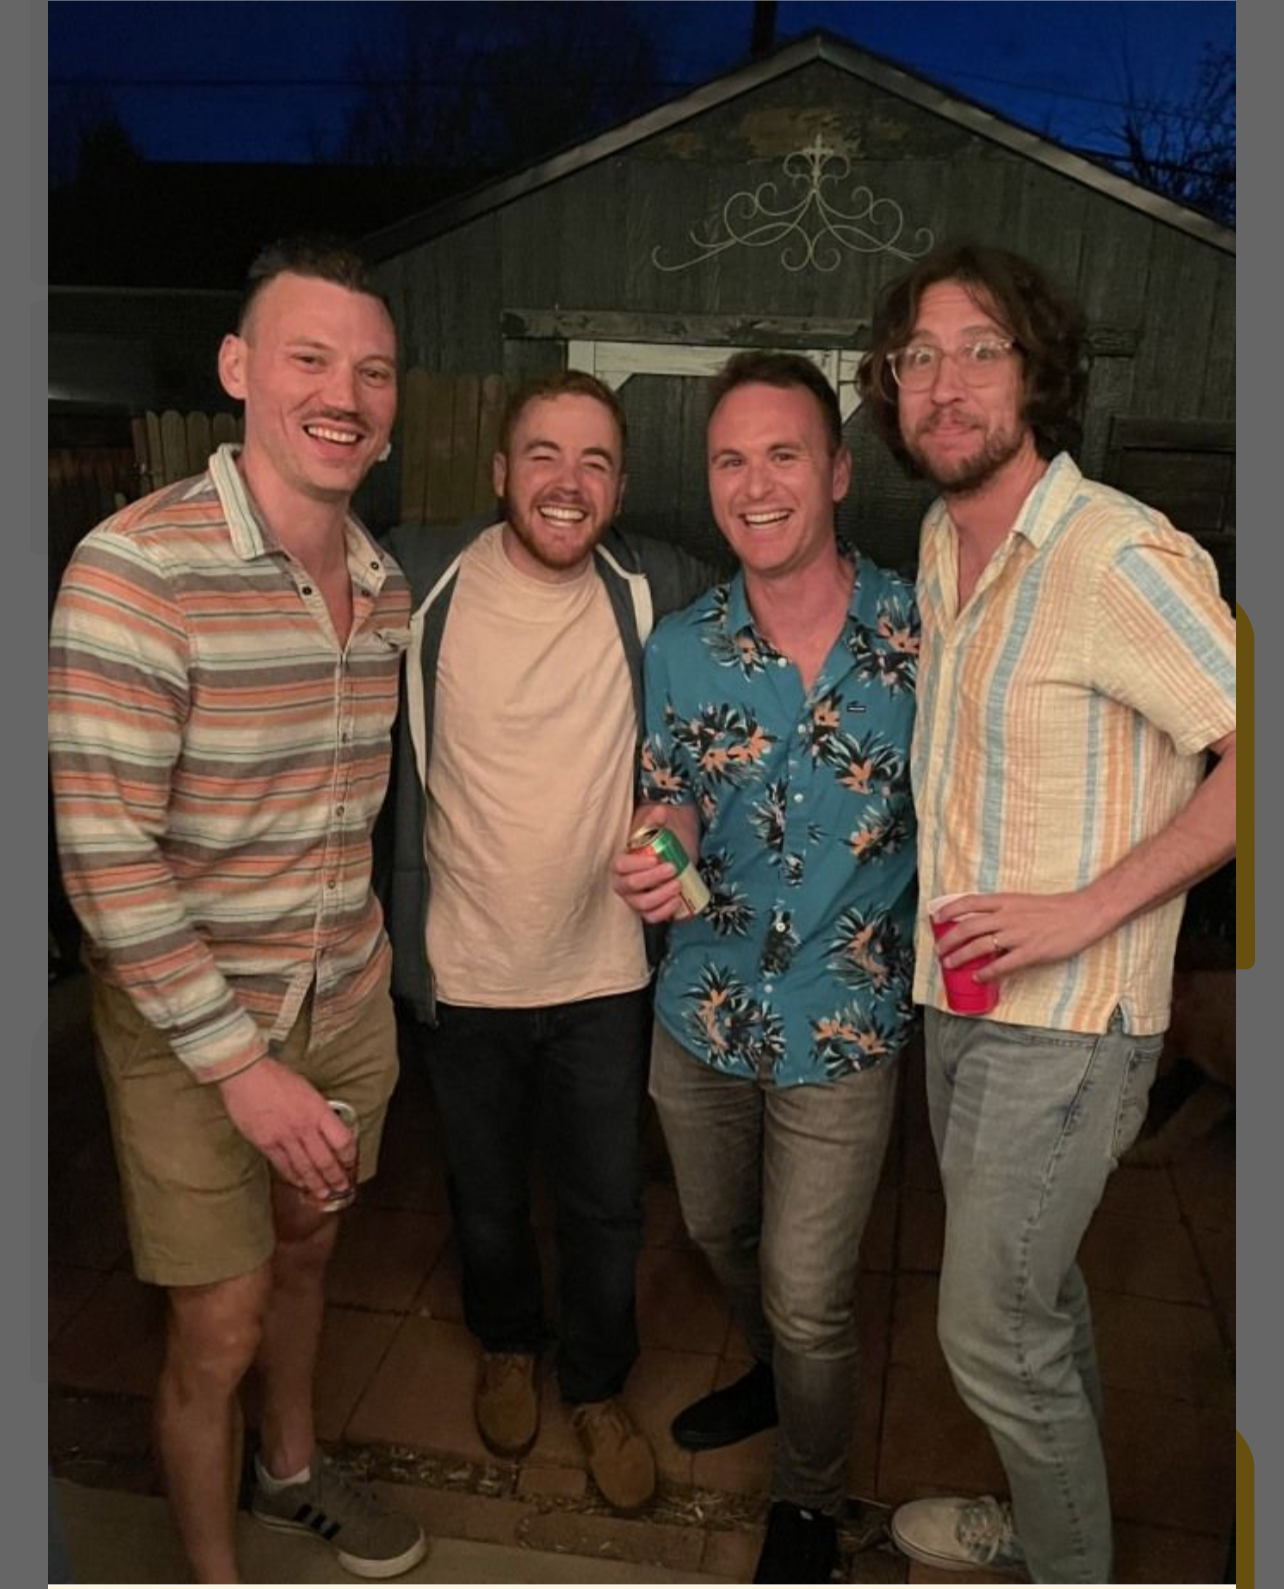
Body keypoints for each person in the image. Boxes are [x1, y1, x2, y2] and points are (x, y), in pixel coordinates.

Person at [855, 243, 1236, 1584]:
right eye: (918, 355)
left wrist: (1089, 909)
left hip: (1069, 1029)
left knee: (989, 1336)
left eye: (980, 349)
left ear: (1038, 373)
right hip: (957, 1010)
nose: (944, 383)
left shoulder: (1116, 551)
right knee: (1033, 1307)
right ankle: (1050, 1524)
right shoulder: (946, 547)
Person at [48, 237, 426, 1584]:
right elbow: (105, 856)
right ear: (238, 371)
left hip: (342, 996)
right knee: (218, 1319)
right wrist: (243, 1068)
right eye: (311, 358)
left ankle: (293, 1471)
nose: (345, 392)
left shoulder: (381, 585)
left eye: (372, 369)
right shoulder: (136, 569)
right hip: (190, 1029)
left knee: (309, 1254)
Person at [611, 351, 920, 1583]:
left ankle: (808, 1494)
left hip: (845, 1025)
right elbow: (671, 791)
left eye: (784, 452)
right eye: (731, 458)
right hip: (701, 1014)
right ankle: (774, 1372)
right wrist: (660, 838)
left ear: (838, 469)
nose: (756, 482)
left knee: (810, 1293)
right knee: (718, 1232)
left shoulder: (921, 628)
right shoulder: (683, 648)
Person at [380, 371, 711, 1512]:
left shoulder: (657, 587)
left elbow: (772, 629)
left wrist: (687, 817)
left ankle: (597, 1382)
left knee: (606, 1199)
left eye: (596, 461)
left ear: (620, 485)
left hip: (604, 971)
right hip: (465, 966)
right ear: (499, 472)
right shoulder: (420, 578)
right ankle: (509, 1341)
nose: (567, 483)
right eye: (543, 454)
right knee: (482, 1194)